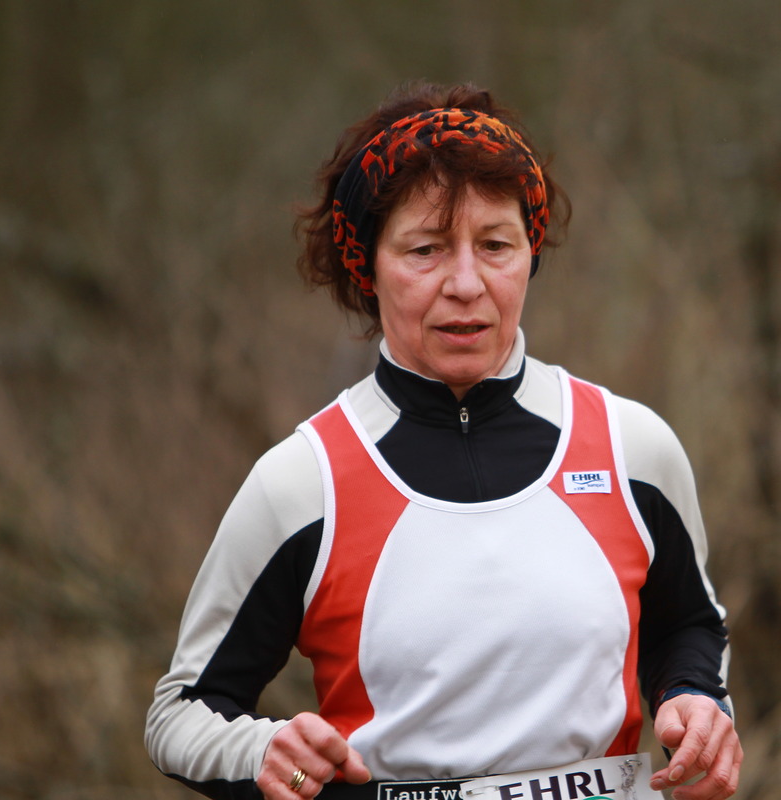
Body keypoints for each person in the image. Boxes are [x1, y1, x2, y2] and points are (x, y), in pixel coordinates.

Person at [145, 81, 742, 800]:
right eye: (425, 249)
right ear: (368, 265)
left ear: (530, 253)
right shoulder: (303, 483)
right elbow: (181, 715)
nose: (466, 283)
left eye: (496, 245)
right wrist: (265, 751)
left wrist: (695, 700)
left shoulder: (633, 449)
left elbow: (689, 626)